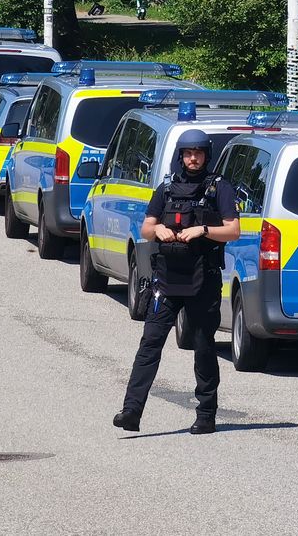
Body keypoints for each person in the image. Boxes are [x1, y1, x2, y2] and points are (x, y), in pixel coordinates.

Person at [113, 129, 241, 435]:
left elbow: (233, 230)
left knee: (202, 346)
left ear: (206, 155)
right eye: (188, 153)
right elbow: (146, 227)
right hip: (167, 279)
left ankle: (206, 414)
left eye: (198, 153)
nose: (193, 158)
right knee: (150, 344)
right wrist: (157, 231)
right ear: (181, 156)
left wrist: (203, 231)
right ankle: (131, 410)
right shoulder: (167, 187)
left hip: (202, 279)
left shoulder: (219, 187)